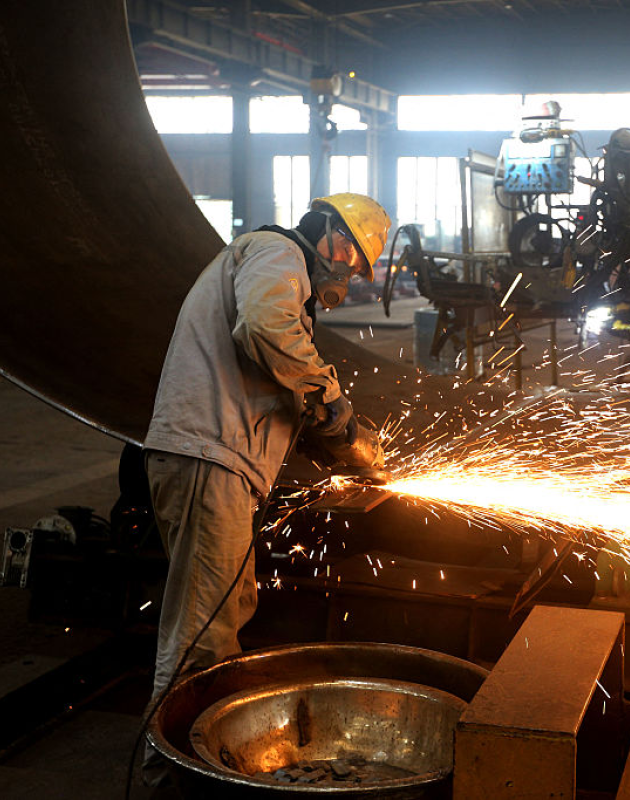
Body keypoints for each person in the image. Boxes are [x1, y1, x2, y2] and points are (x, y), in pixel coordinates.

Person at [139, 192, 390, 778]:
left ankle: (186, 762)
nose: (347, 279)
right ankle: (169, 774)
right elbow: (263, 325)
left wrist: (328, 439)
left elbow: (269, 373)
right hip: (210, 457)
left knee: (218, 614)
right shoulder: (278, 254)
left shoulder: (274, 268)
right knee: (203, 634)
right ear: (332, 236)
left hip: (212, 459)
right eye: (351, 265)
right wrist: (333, 403)